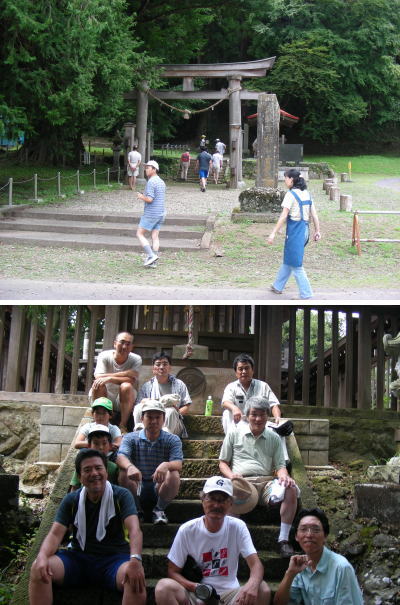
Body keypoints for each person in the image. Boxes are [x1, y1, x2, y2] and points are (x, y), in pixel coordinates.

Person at [29, 449, 146, 605]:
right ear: (79, 477)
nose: (94, 473)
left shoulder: (122, 496)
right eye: (87, 470)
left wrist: (136, 559)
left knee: (135, 578)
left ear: (106, 471)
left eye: (98, 468)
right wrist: (42, 556)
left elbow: (134, 530)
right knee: (39, 567)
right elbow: (55, 534)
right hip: (78, 559)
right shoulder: (71, 500)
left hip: (114, 560)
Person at [154, 475, 271, 605]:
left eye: (222, 500)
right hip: (198, 594)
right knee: (163, 588)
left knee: (262, 589)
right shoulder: (187, 530)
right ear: (203, 500)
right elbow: (172, 571)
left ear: (230, 504)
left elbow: (256, 565)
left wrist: (252, 584)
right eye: (211, 499)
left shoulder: (238, 526)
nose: (216, 505)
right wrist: (195, 587)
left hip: (231, 595)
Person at [219, 396, 299, 558]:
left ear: (267, 416)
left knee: (290, 488)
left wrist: (285, 477)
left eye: (262, 414)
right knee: (228, 490)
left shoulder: (274, 438)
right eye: (254, 414)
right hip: (242, 483)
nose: (258, 419)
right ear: (247, 415)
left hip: (266, 484)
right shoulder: (234, 433)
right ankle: (230, 542)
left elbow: (280, 467)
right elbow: (222, 463)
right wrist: (232, 475)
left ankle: (283, 540)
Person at [273, 508, 364, 604]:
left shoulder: (341, 568)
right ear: (296, 536)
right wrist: (290, 574)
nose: (309, 534)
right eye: (303, 529)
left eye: (315, 530)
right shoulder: (299, 566)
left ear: (325, 536)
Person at [117, 400, 183, 524]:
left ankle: (159, 510)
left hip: (160, 486)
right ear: (142, 418)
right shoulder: (130, 437)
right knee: (123, 471)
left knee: (174, 474)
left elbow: (178, 463)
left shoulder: (173, 439)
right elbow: (121, 457)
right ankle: (136, 510)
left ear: (164, 420)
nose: (153, 421)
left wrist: (166, 464)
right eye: (149, 417)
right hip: (137, 485)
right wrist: (130, 466)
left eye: (158, 417)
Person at [268, 168, 321, 300]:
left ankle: (306, 293)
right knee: (289, 260)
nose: (284, 180)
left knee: (296, 264)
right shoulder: (307, 194)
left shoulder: (291, 194)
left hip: (295, 233)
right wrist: (317, 231)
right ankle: (277, 286)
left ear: (291, 179)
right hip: (305, 231)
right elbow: (314, 215)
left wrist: (273, 233)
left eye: (285, 178)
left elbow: (283, 215)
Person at [89, 332, 142, 434]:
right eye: (122, 342)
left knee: (126, 386)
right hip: (105, 394)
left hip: (125, 398)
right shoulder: (104, 356)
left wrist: (109, 378)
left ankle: (123, 425)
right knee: (98, 384)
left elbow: (131, 380)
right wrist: (127, 374)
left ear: (132, 347)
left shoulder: (136, 359)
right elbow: (98, 377)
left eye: (128, 344)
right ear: (114, 343)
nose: (124, 346)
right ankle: (101, 423)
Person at [134, 352, 192, 437]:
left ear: (170, 367)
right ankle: (139, 434)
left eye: (165, 364)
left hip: (173, 423)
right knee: (138, 407)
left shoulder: (179, 384)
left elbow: (187, 406)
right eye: (158, 364)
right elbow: (138, 403)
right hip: (152, 421)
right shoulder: (147, 386)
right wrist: (145, 401)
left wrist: (178, 411)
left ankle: (165, 439)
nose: (161, 367)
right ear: (153, 368)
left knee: (170, 411)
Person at [221, 353, 282, 434]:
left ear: (252, 370)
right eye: (240, 369)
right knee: (226, 413)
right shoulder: (231, 387)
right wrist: (234, 408)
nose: (244, 371)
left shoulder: (263, 386)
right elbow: (225, 402)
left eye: (247, 368)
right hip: (239, 422)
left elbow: (274, 405)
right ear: (236, 372)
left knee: (282, 431)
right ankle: (231, 441)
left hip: (258, 422)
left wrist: (278, 417)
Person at [136, 159, 166, 267]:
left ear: (154, 169)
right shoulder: (161, 181)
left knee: (139, 233)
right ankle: (153, 262)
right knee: (155, 236)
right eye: (145, 168)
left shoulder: (151, 182)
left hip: (151, 213)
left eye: (148, 168)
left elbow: (150, 199)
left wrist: (140, 196)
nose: (145, 170)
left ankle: (150, 255)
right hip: (161, 213)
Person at [70, 424, 119, 490]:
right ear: (89, 446)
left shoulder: (114, 468)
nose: (101, 447)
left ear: (110, 446)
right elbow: (74, 489)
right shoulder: (82, 466)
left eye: (104, 443)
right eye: (96, 443)